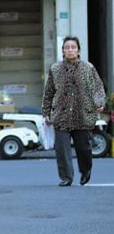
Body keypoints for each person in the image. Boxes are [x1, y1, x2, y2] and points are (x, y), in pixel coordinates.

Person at [42, 37, 106, 187]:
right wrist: (46, 111)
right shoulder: (55, 69)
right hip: (61, 115)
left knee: (84, 148)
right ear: (63, 51)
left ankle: (85, 171)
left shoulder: (88, 68)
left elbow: (98, 88)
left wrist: (99, 103)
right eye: (67, 47)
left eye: (73, 47)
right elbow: (49, 92)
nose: (70, 50)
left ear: (78, 50)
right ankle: (66, 177)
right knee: (62, 150)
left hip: (82, 114)